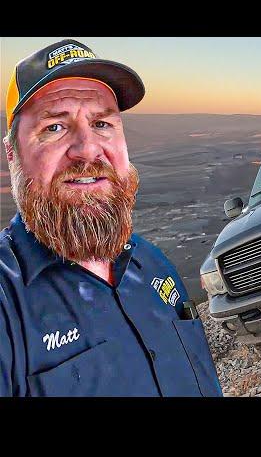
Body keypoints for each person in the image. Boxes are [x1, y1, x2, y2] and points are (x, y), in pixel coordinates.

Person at [0, 39, 223, 396]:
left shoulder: (153, 266)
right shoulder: (7, 304)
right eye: (54, 127)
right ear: (12, 153)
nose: (88, 148)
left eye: (102, 123)